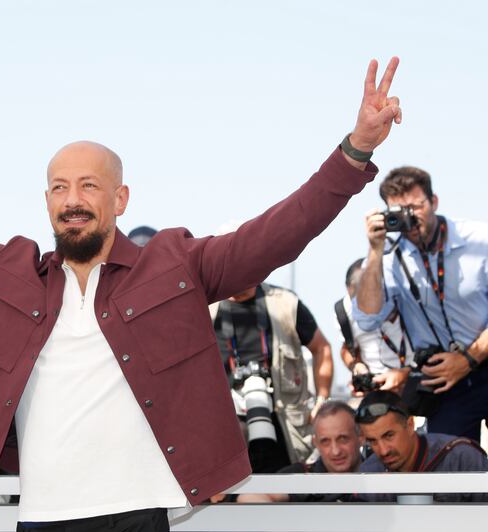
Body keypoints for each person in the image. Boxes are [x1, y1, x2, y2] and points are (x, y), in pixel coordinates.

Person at [0, 48, 401, 531]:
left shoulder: (176, 263)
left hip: (142, 511)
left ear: (119, 199)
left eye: (87, 186)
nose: (72, 200)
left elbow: (277, 233)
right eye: (59, 187)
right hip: (42, 515)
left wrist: (355, 151)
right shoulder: (8, 274)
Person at [354, 166, 488, 441]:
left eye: (416, 207)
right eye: (398, 212)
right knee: (448, 465)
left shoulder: (480, 240)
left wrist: (468, 359)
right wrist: (374, 250)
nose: (410, 218)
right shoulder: (389, 258)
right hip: (444, 379)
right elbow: (367, 317)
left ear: (434, 201)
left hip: (477, 357)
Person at [209, 284, 333, 471]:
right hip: (227, 423)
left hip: (284, 423)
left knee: (286, 487)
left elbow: (321, 348)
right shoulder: (206, 306)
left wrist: (321, 402)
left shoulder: (284, 303)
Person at [356, 390, 488, 502]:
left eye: (389, 435)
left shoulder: (461, 458)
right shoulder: (369, 474)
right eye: (373, 441)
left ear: (410, 425)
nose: (383, 451)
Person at [235, 400, 362, 503]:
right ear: (315, 443)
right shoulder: (303, 475)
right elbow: (249, 498)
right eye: (325, 441)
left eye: (343, 439)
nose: (335, 451)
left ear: (361, 437)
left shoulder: (378, 470)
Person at [336, 258, 412, 395]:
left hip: (418, 382)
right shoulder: (343, 311)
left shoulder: (407, 299)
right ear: (349, 289)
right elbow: (347, 348)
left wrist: (405, 373)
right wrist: (356, 367)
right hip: (378, 391)